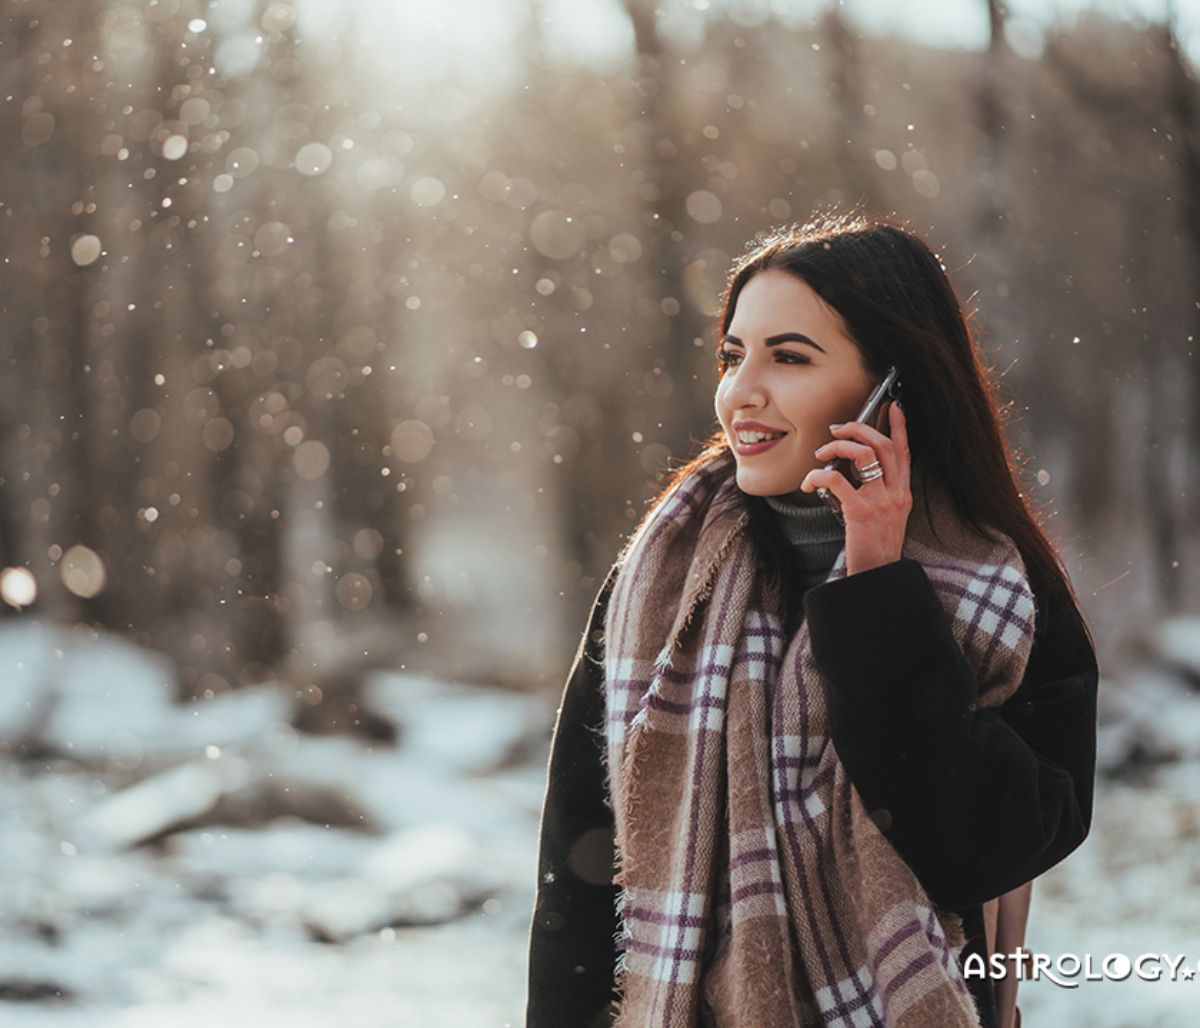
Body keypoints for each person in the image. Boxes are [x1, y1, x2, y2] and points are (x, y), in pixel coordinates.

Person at [525, 210, 1099, 1028]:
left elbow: (978, 843)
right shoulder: (658, 580)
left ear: (892, 387)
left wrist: (878, 583)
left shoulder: (1002, 587)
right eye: (732, 356)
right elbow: (581, 866)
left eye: (788, 357)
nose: (740, 391)